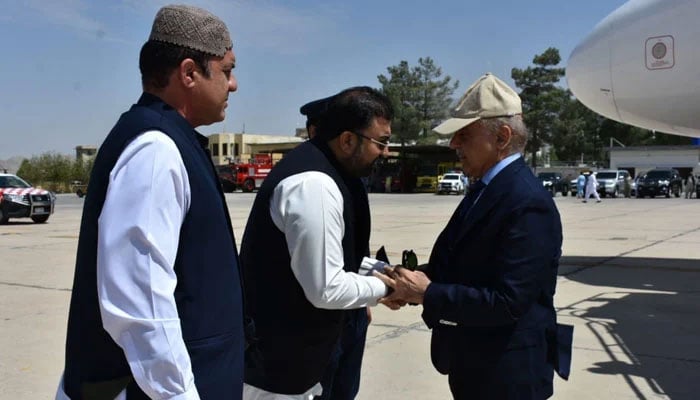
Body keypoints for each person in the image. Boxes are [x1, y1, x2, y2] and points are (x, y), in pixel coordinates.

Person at [56, 5, 245, 399]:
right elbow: (139, 303)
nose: (234, 85)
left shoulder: (171, 139)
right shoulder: (156, 149)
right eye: (226, 70)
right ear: (190, 73)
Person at [374, 73, 573, 400]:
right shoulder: (486, 189)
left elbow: (509, 302)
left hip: (507, 376)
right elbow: (459, 265)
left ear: (502, 137)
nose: (454, 145)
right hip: (475, 366)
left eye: (464, 135)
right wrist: (410, 284)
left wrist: (428, 294)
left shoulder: (527, 203)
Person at [240, 87, 394, 400]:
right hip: (279, 374)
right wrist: (389, 289)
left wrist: (384, 272)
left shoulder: (332, 174)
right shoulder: (314, 185)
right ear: (348, 140)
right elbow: (326, 287)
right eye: (381, 142)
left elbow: (337, 256)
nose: (386, 152)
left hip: (298, 363)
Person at [299, 95, 374, 400]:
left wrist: (365, 297)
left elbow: (355, 247)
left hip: (352, 309)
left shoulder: (352, 181)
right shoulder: (310, 184)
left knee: (345, 390)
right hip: (318, 319)